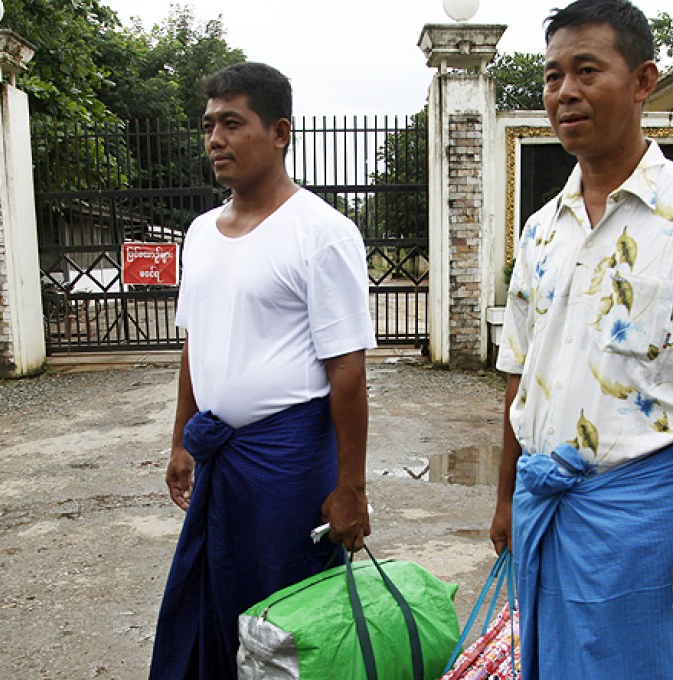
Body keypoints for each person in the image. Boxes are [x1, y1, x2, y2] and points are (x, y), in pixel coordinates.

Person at [490, 0, 673, 677]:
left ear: (643, 81)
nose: (564, 92)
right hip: (546, 502)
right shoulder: (542, 229)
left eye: (586, 70)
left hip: (645, 508)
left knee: (648, 664)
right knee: (554, 662)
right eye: (551, 77)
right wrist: (507, 495)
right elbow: (520, 368)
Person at [148, 61, 376, 679]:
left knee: (286, 617)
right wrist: (179, 441)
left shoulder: (321, 232)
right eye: (208, 125)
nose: (215, 139)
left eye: (231, 123)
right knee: (210, 604)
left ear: (279, 132)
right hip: (219, 454)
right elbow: (194, 345)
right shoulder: (199, 234)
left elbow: (347, 370)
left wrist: (349, 486)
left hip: (289, 465)